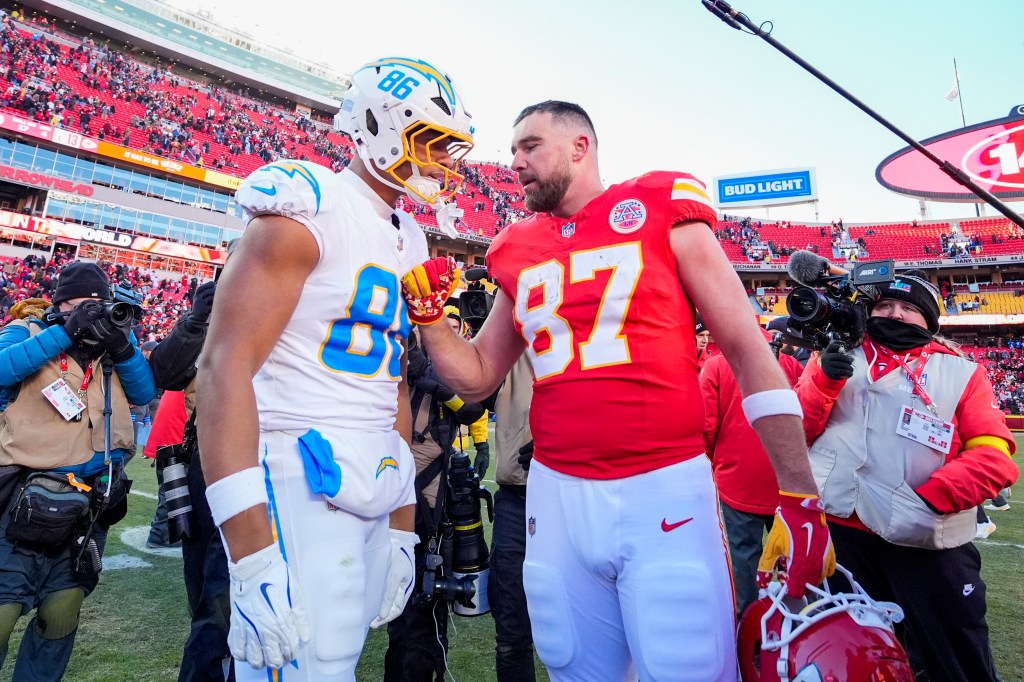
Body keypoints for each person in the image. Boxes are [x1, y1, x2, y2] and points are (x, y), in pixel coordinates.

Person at [402, 100, 833, 681]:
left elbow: (747, 349)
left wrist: (800, 498)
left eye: (530, 146)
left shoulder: (660, 204)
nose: (515, 163)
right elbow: (478, 374)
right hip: (554, 494)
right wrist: (430, 319)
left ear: (581, 146)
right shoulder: (515, 247)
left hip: (661, 486)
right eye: (511, 152)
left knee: (686, 665)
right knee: (573, 665)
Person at [195, 56, 474, 680]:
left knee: (338, 657)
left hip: (374, 468)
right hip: (297, 463)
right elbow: (222, 369)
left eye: (450, 148)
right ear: (379, 124)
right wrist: (250, 557)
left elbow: (391, 382)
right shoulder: (310, 202)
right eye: (430, 141)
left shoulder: (412, 236)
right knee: (306, 664)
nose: (443, 162)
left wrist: (403, 519)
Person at [797, 273, 1019, 682]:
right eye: (884, 306)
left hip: (926, 539)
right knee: (855, 654)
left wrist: (931, 498)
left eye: (909, 308)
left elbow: (995, 454)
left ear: (929, 320)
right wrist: (823, 380)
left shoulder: (962, 372)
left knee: (954, 657)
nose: (895, 313)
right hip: (844, 537)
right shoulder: (834, 354)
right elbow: (798, 432)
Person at [0, 261, 155, 680]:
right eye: (83, 304)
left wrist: (122, 345)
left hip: (91, 499)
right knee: (3, 608)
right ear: (61, 304)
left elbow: (144, 392)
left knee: (62, 608)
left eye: (99, 303)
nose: (94, 312)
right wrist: (64, 334)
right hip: (22, 496)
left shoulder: (113, 344)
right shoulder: (27, 331)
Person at [383, 311, 485, 681]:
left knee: (424, 621)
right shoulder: (394, 361)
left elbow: (474, 407)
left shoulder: (448, 376)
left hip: (430, 511)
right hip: (389, 502)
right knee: (402, 624)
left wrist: (432, 380)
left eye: (453, 333)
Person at [701, 327, 803, 615]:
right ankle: (794, 623)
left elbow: (706, 427)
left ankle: (750, 625)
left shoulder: (717, 365)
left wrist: (715, 461)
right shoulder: (789, 363)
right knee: (788, 556)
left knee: (744, 557)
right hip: (785, 475)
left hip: (737, 479)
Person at [486, 354, 536, 682]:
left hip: (577, 492)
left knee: (590, 625)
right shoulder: (513, 340)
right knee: (512, 627)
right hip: (517, 496)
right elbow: (472, 398)